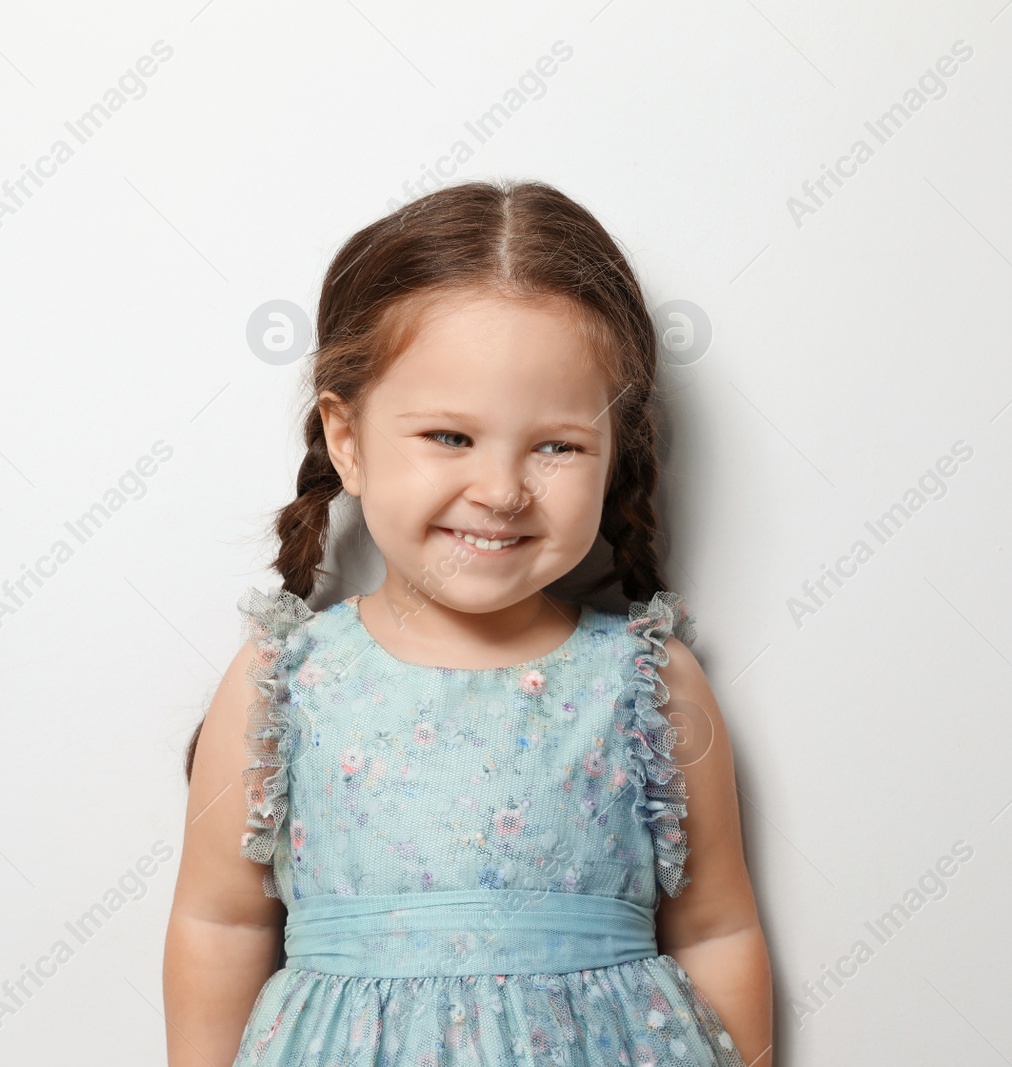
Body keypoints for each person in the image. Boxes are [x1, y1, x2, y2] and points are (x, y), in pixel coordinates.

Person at [163, 179, 772, 1065]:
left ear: (614, 454)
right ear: (347, 439)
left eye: (557, 444)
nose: (499, 489)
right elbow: (216, 924)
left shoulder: (647, 681)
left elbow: (717, 931)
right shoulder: (284, 681)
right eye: (450, 436)